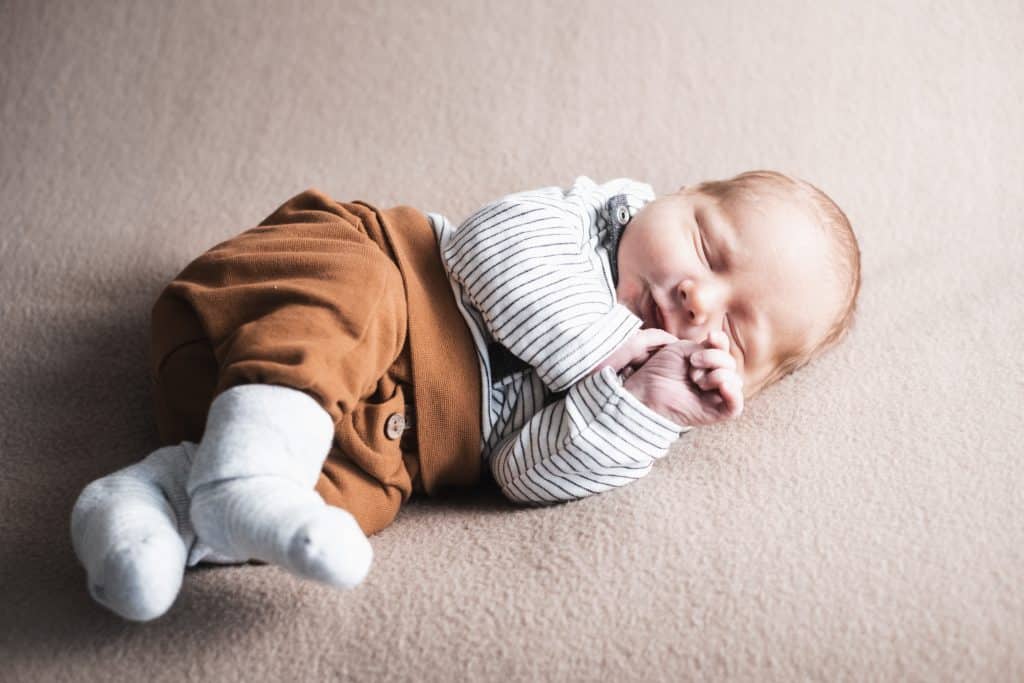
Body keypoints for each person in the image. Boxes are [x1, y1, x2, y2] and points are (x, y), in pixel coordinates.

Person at [69, 171, 860, 621]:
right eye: (709, 247)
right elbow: (490, 253)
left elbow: (522, 472)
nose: (697, 297)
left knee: (363, 495)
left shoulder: (642, 392)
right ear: (675, 194)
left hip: (366, 427)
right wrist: (606, 348)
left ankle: (150, 510)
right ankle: (245, 475)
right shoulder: (590, 220)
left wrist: (642, 406)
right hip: (322, 286)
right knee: (350, 297)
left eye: (734, 331)